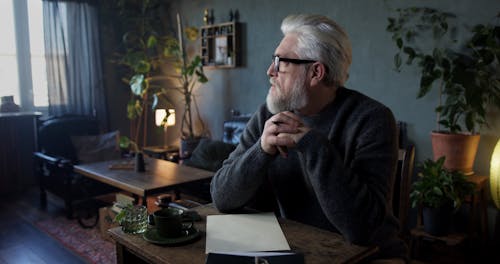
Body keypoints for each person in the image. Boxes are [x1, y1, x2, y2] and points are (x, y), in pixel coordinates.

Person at [210, 14, 408, 262]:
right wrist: (261, 150)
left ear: (316, 72)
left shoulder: (372, 119)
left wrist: (313, 146)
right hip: (301, 249)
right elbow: (221, 197)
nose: (270, 71)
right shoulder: (268, 116)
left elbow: (363, 229)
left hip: (373, 256)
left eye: (280, 62)